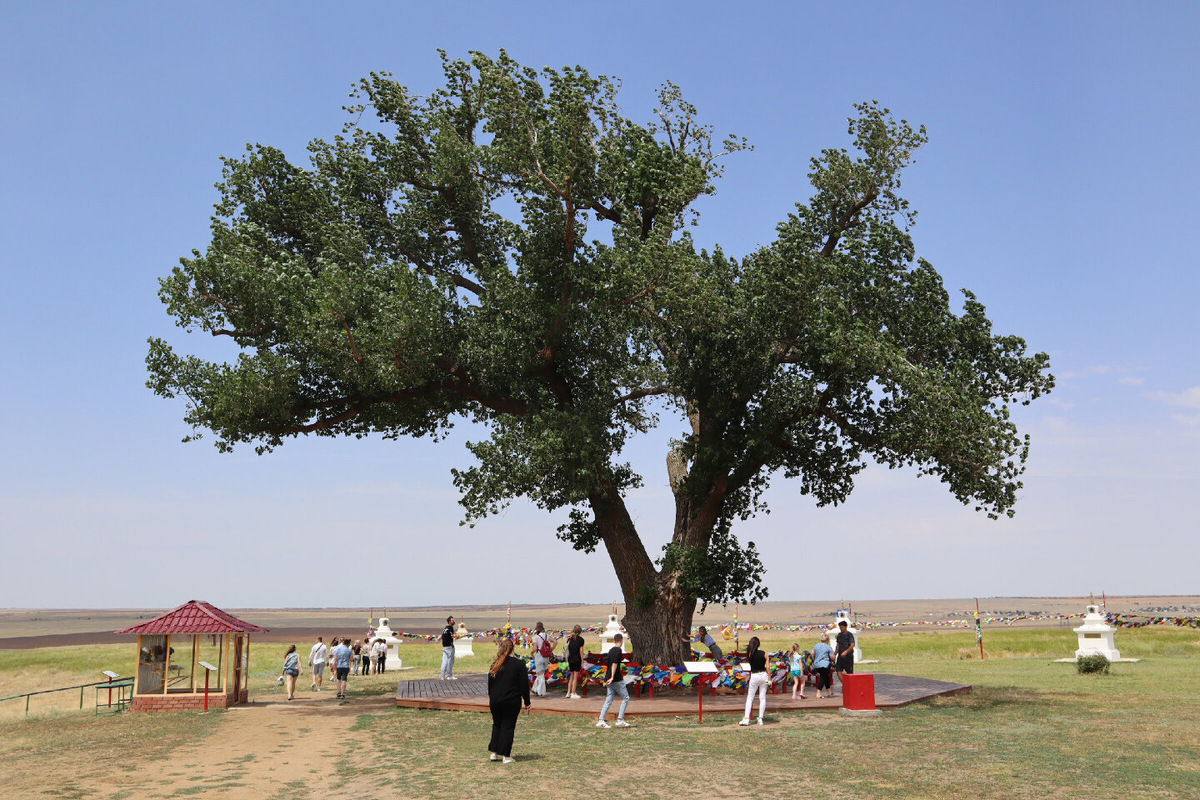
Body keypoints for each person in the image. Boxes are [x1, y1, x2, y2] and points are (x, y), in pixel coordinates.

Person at [486, 638, 531, 764]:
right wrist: (527, 702)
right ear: (513, 649)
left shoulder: (495, 664)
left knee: (497, 725)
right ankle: (506, 755)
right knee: (508, 726)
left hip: (495, 700)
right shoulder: (519, 664)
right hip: (510, 700)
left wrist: (492, 698)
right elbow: (524, 685)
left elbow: (490, 685)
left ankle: (494, 752)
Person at [596, 633, 632, 728]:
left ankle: (601, 720)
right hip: (616, 678)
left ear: (614, 641)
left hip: (608, 677)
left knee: (609, 699)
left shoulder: (611, 650)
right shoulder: (618, 650)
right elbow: (615, 664)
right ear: (622, 641)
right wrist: (612, 677)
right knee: (626, 697)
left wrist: (609, 677)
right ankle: (620, 719)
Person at [739, 635, 768, 726]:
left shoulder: (750, 653)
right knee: (762, 697)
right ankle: (760, 718)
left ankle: (747, 718)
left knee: (750, 697)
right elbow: (768, 667)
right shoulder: (764, 653)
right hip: (763, 675)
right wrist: (770, 677)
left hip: (754, 675)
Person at [530, 622, 553, 697]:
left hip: (539, 656)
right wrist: (551, 649)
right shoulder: (547, 635)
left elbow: (535, 648)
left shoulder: (536, 637)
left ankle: (541, 692)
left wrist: (532, 652)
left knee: (540, 674)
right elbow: (555, 642)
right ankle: (535, 689)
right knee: (540, 673)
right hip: (546, 657)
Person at [834, 619, 856, 691]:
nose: (841, 629)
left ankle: (850, 687)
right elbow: (838, 645)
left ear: (846, 627)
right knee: (838, 671)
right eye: (840, 627)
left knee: (849, 673)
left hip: (848, 656)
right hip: (840, 656)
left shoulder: (849, 635)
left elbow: (852, 645)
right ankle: (845, 684)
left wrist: (846, 652)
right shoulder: (839, 635)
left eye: (842, 627)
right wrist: (835, 654)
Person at [564, 625, 585, 699]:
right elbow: (581, 651)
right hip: (577, 659)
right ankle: (573, 692)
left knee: (571, 676)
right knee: (575, 677)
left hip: (570, 659)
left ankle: (568, 692)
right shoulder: (581, 640)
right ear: (580, 632)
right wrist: (582, 661)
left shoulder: (570, 639)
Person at [812, 632, 834, 698]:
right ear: (827, 639)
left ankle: (829, 691)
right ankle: (818, 692)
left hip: (817, 664)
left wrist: (814, 659)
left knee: (826, 677)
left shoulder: (816, 646)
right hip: (825, 664)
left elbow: (812, 653)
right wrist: (834, 660)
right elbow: (832, 657)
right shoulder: (828, 647)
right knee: (823, 678)